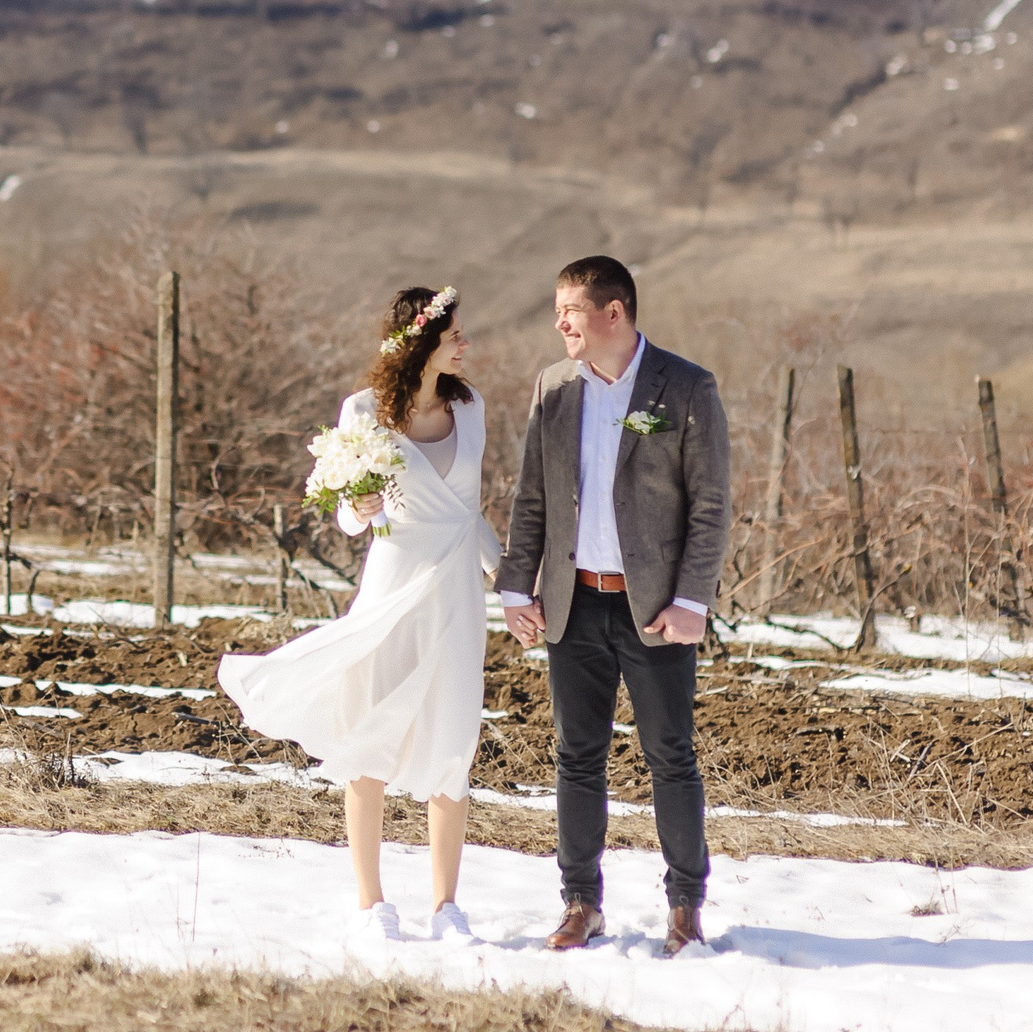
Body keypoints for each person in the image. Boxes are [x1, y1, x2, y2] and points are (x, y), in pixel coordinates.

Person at [218, 286, 502, 946]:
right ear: (422, 341)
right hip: (393, 584)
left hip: (458, 593)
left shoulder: (473, 408)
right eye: (455, 333)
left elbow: (470, 513)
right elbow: (348, 510)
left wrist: (510, 582)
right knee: (370, 737)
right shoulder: (363, 411)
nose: (465, 343)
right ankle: (373, 903)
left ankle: (447, 906)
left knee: (453, 740)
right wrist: (360, 512)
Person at [497, 255, 731, 959]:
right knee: (576, 756)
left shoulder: (686, 387)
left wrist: (693, 600)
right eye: (558, 311)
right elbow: (531, 495)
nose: (560, 323)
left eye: (570, 309)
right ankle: (580, 903)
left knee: (670, 756)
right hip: (572, 604)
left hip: (656, 611)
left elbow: (712, 506)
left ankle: (685, 908)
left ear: (614, 313)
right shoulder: (554, 387)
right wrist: (516, 585)